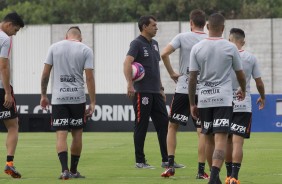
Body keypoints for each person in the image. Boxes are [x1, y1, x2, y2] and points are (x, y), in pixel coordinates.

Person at [188, 13, 246, 184]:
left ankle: (214, 177)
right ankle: (214, 176)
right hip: (223, 99)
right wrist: (242, 89)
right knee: (221, 138)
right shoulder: (230, 48)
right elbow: (240, 74)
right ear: (222, 28)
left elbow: (192, 78)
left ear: (207, 27)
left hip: (204, 99)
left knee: (208, 138)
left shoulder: (197, 48)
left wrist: (192, 103)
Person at [123, 15, 183, 169]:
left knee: (164, 125)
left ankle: (166, 160)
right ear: (144, 26)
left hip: (156, 92)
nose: (157, 28)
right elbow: (127, 62)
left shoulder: (155, 44)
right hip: (141, 92)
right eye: (154, 25)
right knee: (141, 125)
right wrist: (130, 84)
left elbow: (155, 69)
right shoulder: (136, 43)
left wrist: (161, 89)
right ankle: (140, 161)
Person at [160, 9, 212, 178]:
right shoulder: (209, 39)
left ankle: (170, 166)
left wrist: (171, 73)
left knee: (172, 127)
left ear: (191, 23)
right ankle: (200, 171)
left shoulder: (182, 37)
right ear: (205, 24)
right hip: (203, 90)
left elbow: (164, 53)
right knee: (202, 131)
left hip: (183, 88)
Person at [40, 26, 96, 180]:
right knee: (77, 134)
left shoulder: (54, 47)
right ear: (80, 38)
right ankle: (74, 170)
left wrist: (44, 95)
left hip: (59, 98)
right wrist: (92, 102)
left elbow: (45, 74)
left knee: (61, 135)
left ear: (66, 36)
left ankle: (64, 171)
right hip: (77, 98)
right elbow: (89, 78)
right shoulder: (85, 50)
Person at [224, 28, 265, 184]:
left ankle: (227, 176)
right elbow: (259, 82)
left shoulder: (224, 56)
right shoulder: (250, 58)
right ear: (243, 41)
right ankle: (235, 176)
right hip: (243, 104)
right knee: (237, 142)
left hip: (225, 103)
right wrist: (262, 97)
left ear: (230, 40)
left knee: (226, 140)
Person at [0, 12, 24, 179]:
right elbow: (4, 66)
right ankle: (9, 164)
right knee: (13, 125)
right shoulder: (5, 39)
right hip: (1, 89)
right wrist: (7, 92)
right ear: (8, 25)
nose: (15, 34)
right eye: (15, 30)